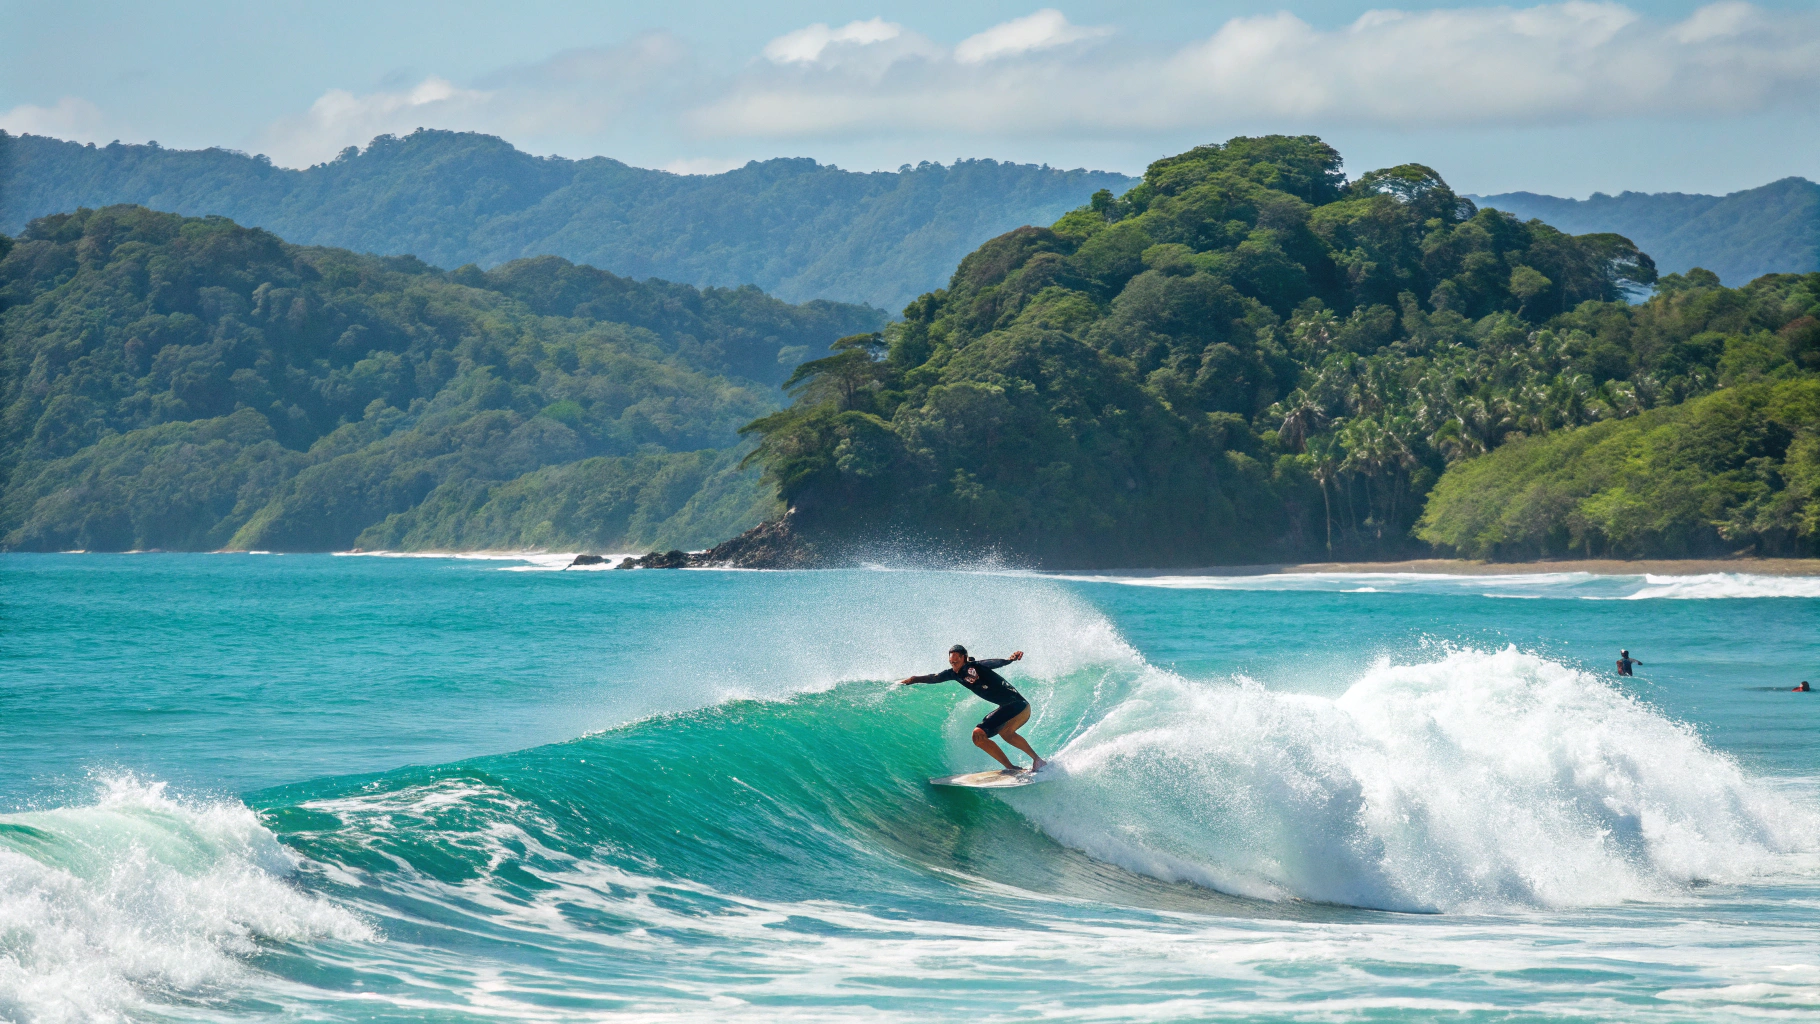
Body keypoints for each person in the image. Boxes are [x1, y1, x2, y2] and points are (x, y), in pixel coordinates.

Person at [900, 645, 1046, 773]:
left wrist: (1010, 659)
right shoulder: (953, 674)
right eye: (951, 662)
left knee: (981, 732)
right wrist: (914, 679)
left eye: (956, 661)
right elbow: (934, 677)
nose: (954, 664)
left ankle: (1036, 760)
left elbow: (994, 663)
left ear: (964, 658)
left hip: (1018, 704)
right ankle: (1014, 767)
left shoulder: (976, 667)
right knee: (984, 737)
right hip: (1011, 707)